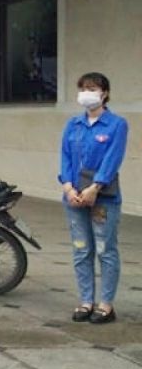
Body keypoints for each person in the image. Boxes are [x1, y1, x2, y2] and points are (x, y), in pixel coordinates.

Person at [59, 71, 128, 324]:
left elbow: (113, 158)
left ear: (105, 93)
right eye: (83, 88)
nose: (87, 93)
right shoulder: (73, 125)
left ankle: (106, 305)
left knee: (105, 250)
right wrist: (68, 187)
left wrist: (95, 187)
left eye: (93, 88)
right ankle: (85, 300)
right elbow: (65, 157)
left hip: (103, 198)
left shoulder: (116, 124)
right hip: (74, 196)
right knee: (81, 250)